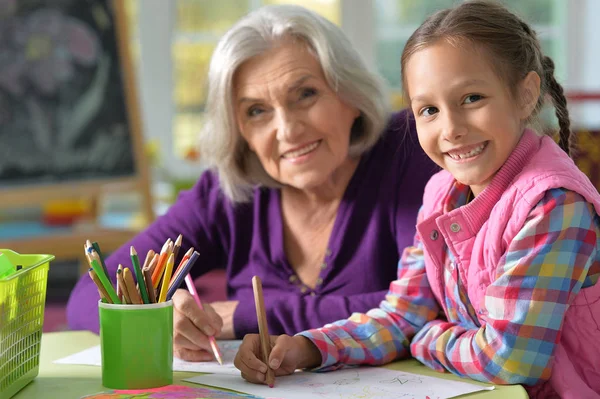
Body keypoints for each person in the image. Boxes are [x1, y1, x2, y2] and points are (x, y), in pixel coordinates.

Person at [234, 1, 600, 397]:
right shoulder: (442, 193)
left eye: (472, 98)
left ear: (526, 94)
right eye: (429, 109)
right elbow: (403, 314)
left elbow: (509, 360)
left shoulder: (554, 205)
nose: (451, 128)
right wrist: (306, 347)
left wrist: (425, 338)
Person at [66, 5, 439, 363]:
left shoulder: (410, 147)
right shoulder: (226, 193)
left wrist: (245, 317)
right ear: (239, 130)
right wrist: (164, 320)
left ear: (350, 95)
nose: (288, 130)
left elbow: (433, 301)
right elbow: (87, 298)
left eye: (305, 94)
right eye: (256, 111)